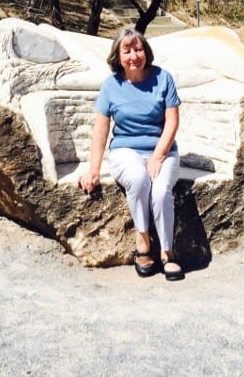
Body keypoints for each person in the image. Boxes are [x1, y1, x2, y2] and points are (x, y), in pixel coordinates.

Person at [79, 27, 184, 280]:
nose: (134, 56)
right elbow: (101, 130)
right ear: (118, 56)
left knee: (160, 192)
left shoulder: (163, 78)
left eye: (138, 49)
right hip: (126, 150)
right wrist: (93, 169)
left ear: (146, 51)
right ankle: (143, 239)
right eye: (127, 51)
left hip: (163, 149)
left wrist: (158, 156)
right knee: (138, 179)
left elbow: (172, 121)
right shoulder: (111, 85)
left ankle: (168, 252)